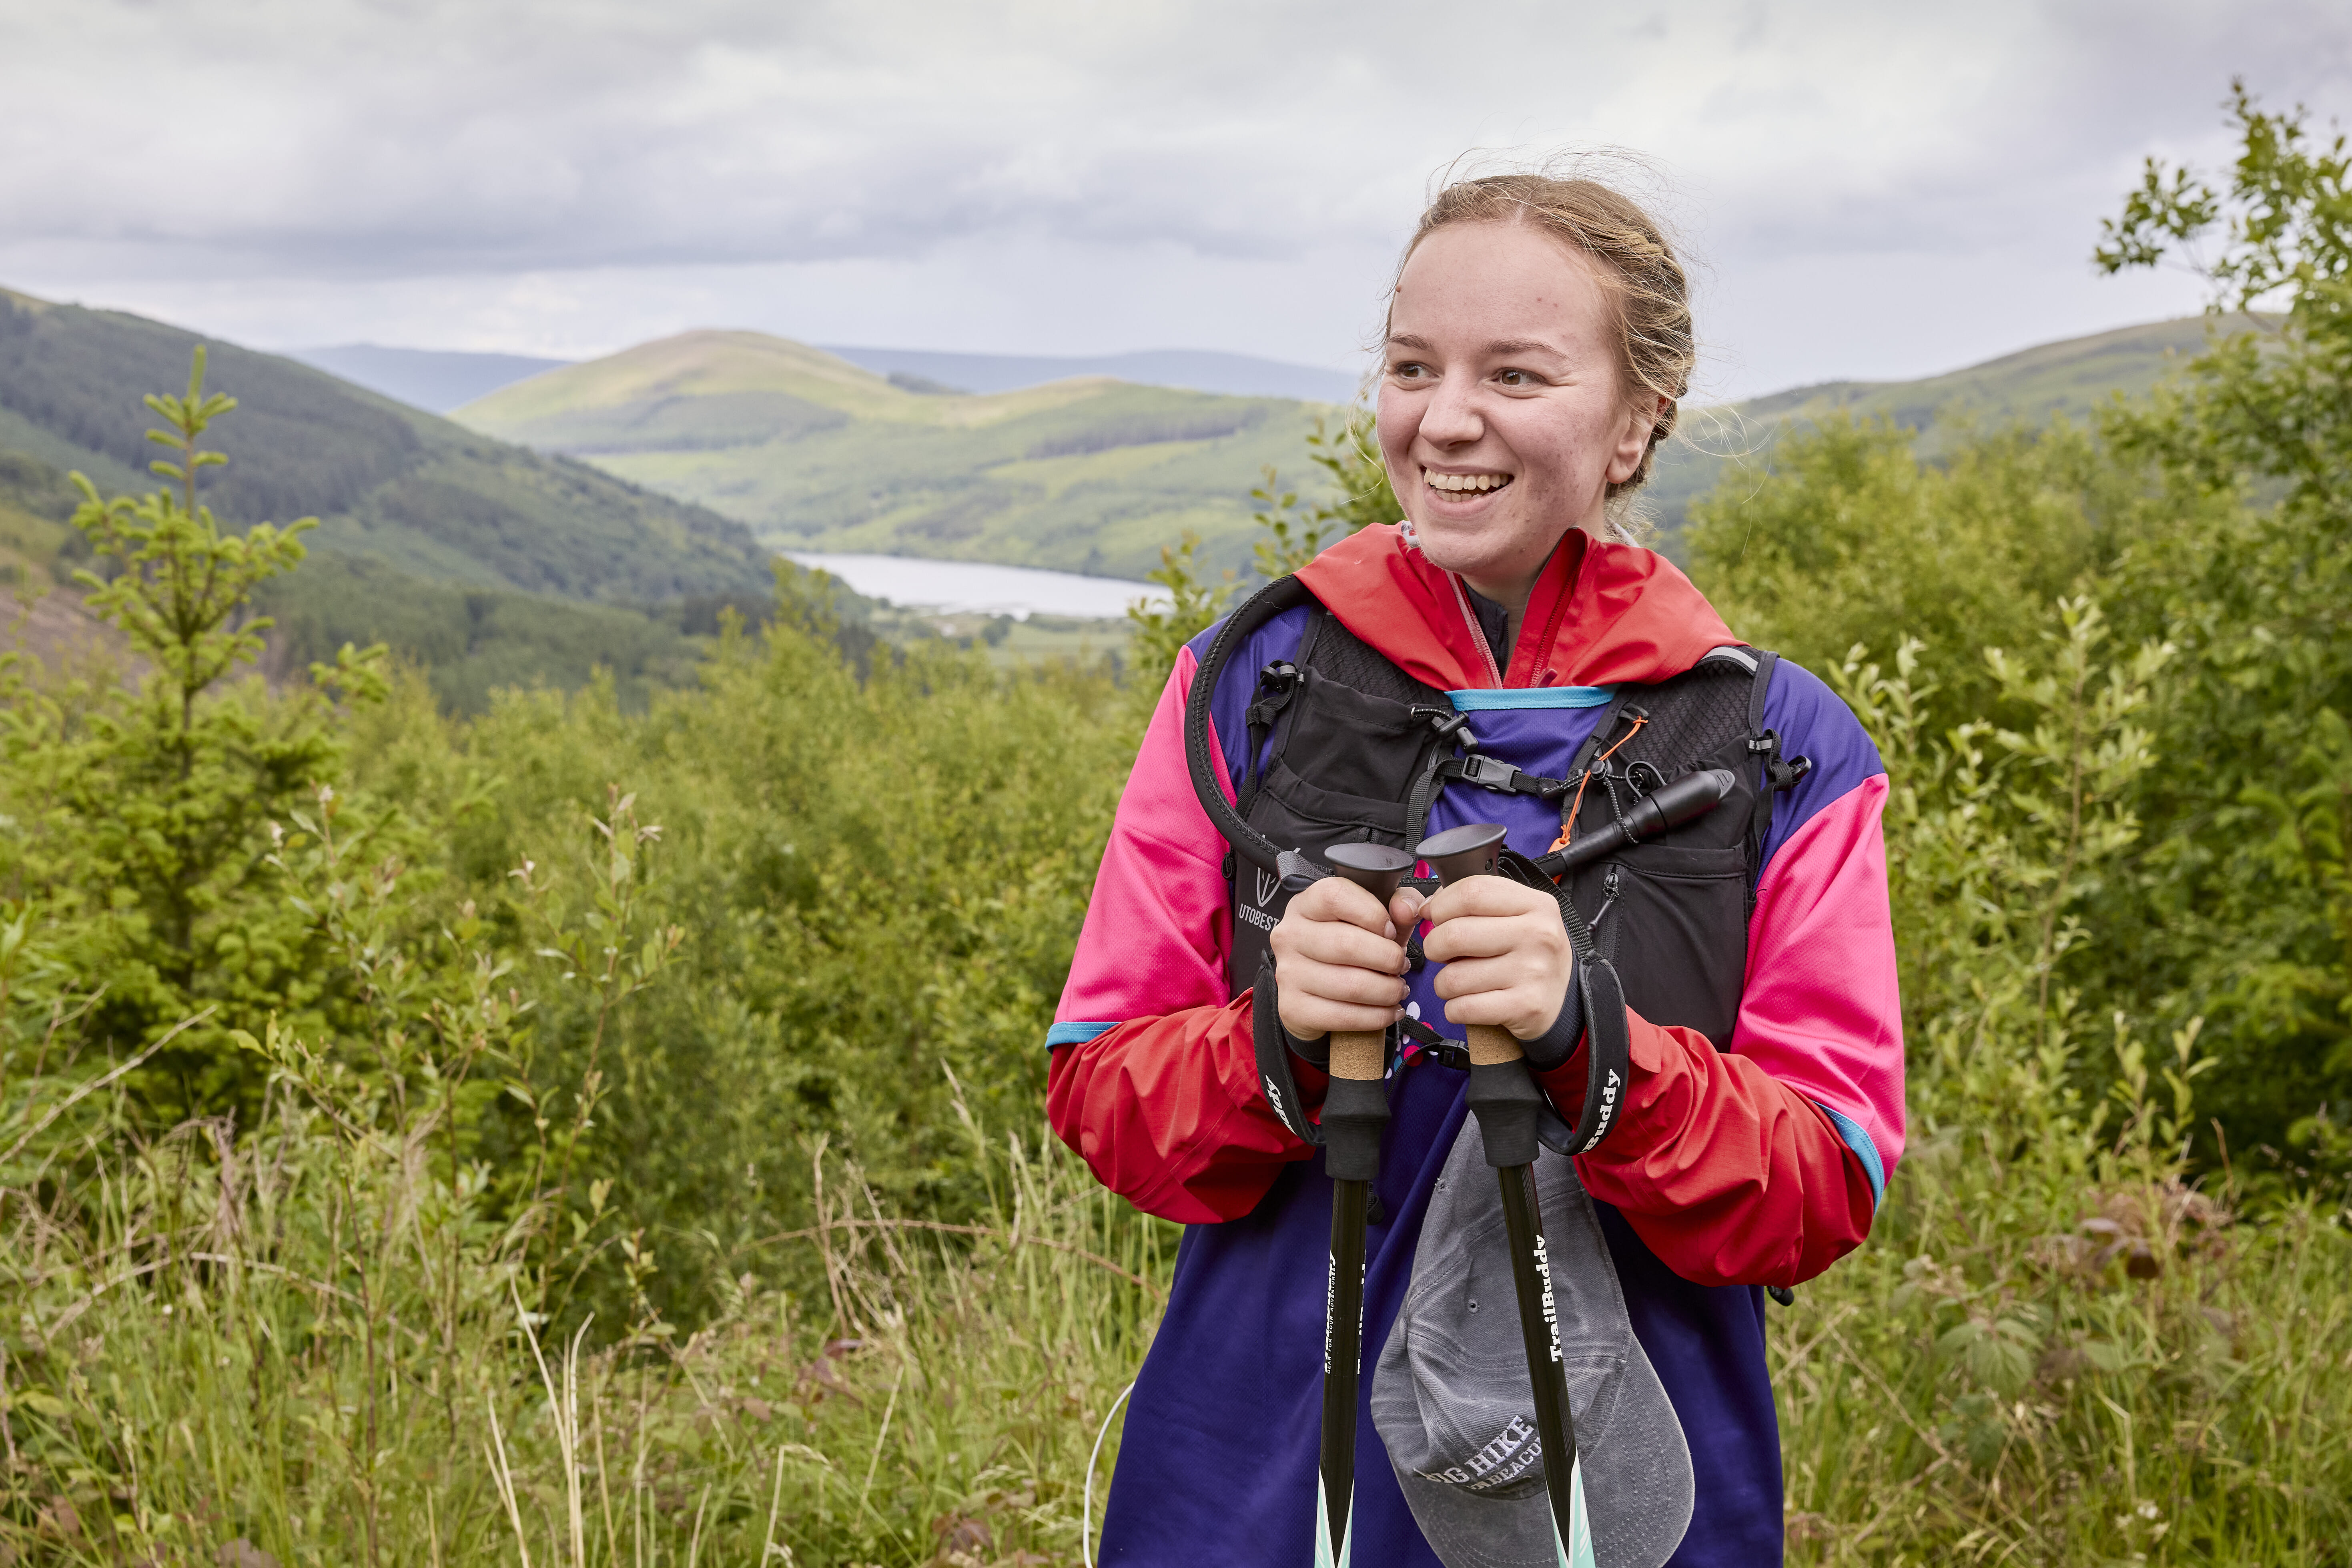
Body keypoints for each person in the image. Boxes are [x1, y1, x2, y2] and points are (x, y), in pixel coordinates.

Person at [1048, 170, 1902, 1567]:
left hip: (1623, 1481)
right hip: (1266, 1476)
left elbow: (1823, 1182)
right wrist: (1278, 1043)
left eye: (1517, 373)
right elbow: (1102, 1091)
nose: (1446, 419)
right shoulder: (1247, 687)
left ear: (1639, 419)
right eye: (1411, 366)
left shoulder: (1780, 743)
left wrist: (1596, 1046)